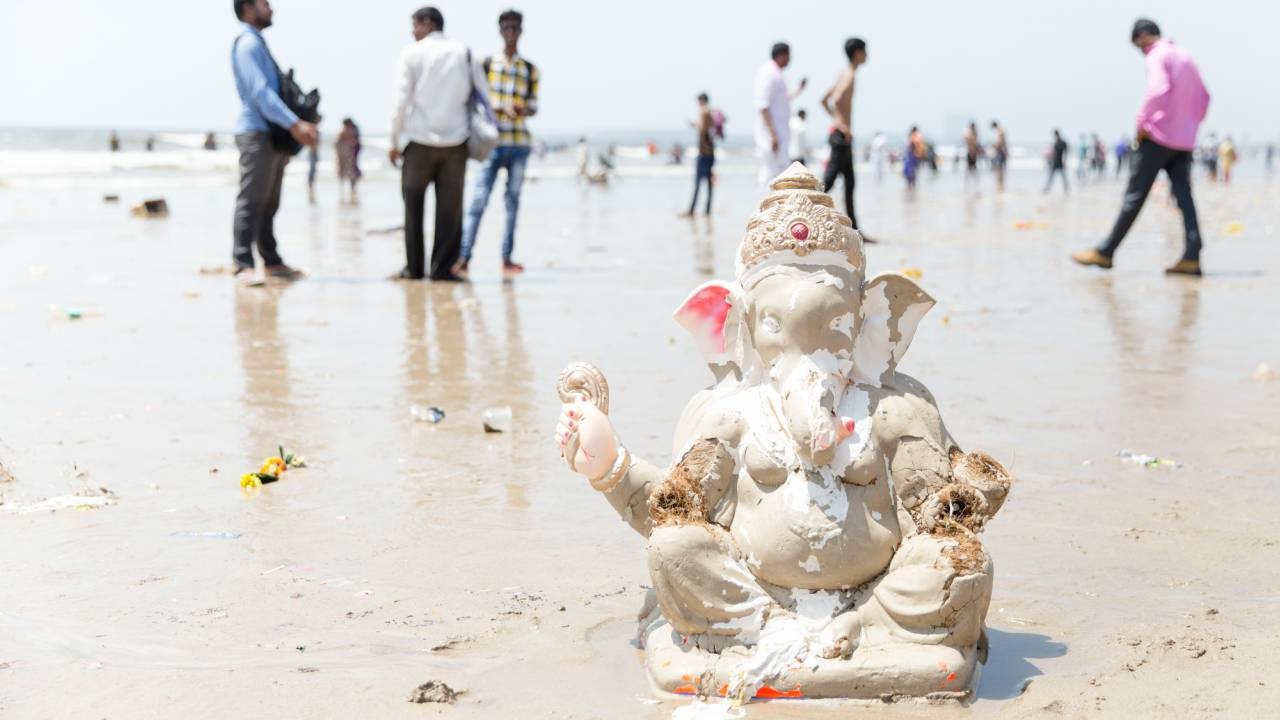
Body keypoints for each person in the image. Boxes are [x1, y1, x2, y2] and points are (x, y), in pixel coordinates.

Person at [1072, 19, 1210, 276]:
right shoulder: (1184, 56)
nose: (1141, 52)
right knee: (1184, 198)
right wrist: (1188, 125)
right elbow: (1205, 98)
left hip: (1157, 138)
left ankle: (1105, 251)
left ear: (1143, 36)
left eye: (1139, 46)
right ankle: (1192, 254)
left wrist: (1142, 124)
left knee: (1134, 196)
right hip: (1183, 141)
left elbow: (1158, 90)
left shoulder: (1157, 54)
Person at [389, 6, 487, 281]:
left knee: (413, 208)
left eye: (414, 25)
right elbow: (482, 96)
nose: (412, 32)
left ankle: (413, 269)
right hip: (456, 143)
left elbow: (400, 101)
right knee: (450, 211)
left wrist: (393, 140)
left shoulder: (411, 53)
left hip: (419, 142)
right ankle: (442, 269)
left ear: (427, 23)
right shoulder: (465, 52)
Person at [230, 0, 317, 286]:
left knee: (269, 201)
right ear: (247, 8)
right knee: (252, 200)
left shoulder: (258, 43)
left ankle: (271, 260)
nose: (271, 8)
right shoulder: (247, 44)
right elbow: (260, 93)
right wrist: (294, 125)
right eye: (265, 3)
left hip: (271, 133)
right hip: (256, 132)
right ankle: (242, 263)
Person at [457, 8, 539, 277]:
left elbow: (534, 106)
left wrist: (522, 109)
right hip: (491, 143)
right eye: (506, 28)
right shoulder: (486, 64)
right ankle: (464, 257)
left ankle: (507, 257)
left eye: (515, 28)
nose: (510, 32)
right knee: (479, 200)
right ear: (500, 31)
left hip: (519, 143)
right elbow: (475, 100)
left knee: (513, 203)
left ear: (521, 31)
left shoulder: (529, 69)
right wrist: (500, 109)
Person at [821, 38, 869, 234]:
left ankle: (855, 231)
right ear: (857, 53)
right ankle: (802, 211)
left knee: (850, 184)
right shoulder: (849, 74)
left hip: (840, 135)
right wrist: (843, 126)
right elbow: (837, 98)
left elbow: (824, 100)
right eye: (865, 51)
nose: (867, 55)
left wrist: (837, 121)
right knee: (829, 181)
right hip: (841, 136)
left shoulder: (843, 73)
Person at [754, 42, 806, 186]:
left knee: (780, 172)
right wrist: (773, 134)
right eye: (788, 56)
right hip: (771, 134)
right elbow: (762, 105)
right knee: (770, 173)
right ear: (781, 55)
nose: (790, 60)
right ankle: (764, 200)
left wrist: (799, 89)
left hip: (779, 134)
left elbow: (783, 99)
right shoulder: (768, 73)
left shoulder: (776, 73)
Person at [683, 93, 715, 217]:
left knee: (697, 182)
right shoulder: (711, 113)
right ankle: (707, 210)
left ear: (701, 101)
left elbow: (702, 130)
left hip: (703, 153)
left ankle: (692, 210)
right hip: (711, 152)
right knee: (709, 183)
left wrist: (696, 126)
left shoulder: (704, 112)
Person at [335, 118, 361, 202]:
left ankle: (347, 190)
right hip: (348, 154)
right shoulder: (352, 130)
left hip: (348, 154)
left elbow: (338, 143)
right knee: (350, 172)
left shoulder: (348, 130)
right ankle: (351, 190)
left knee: (349, 172)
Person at [990, 120, 1008, 192]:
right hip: (1002, 151)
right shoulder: (1001, 131)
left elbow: (1000, 142)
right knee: (1000, 170)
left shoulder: (1000, 131)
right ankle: (1000, 186)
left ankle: (1000, 187)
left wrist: (994, 146)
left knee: (999, 170)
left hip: (1000, 152)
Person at [963, 121, 982, 186]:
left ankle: (971, 183)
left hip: (973, 153)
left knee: (972, 168)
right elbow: (970, 144)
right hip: (972, 152)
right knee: (971, 168)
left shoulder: (972, 134)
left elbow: (973, 144)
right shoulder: (971, 134)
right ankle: (970, 183)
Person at [306, 135, 319, 203]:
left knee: (313, 171)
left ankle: (311, 189)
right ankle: (310, 189)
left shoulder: (316, 133)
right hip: (312, 153)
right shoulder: (313, 133)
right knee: (312, 172)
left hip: (314, 153)